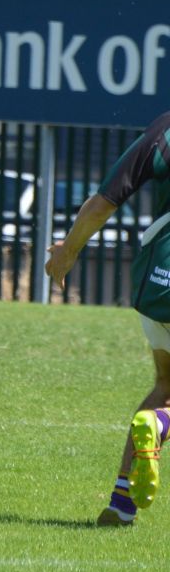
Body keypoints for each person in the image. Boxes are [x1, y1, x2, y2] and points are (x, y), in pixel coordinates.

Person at [46, 112, 170, 526]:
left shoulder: (165, 129)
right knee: (161, 410)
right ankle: (158, 423)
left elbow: (104, 202)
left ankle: (121, 505)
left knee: (166, 385)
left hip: (157, 280)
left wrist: (68, 252)